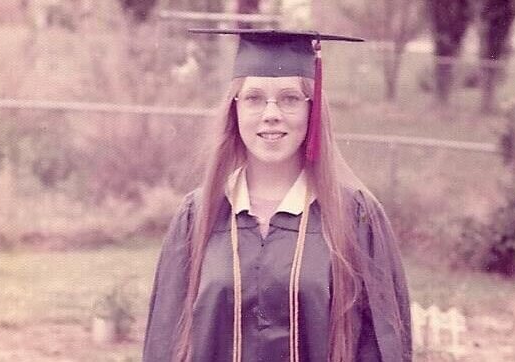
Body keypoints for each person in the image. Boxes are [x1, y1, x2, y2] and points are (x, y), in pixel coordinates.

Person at [143, 29, 412, 362]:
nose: (271, 113)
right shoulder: (198, 215)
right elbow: (165, 340)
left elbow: (381, 345)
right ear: (235, 109)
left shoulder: (355, 216)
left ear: (312, 110)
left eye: (289, 98)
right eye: (255, 98)